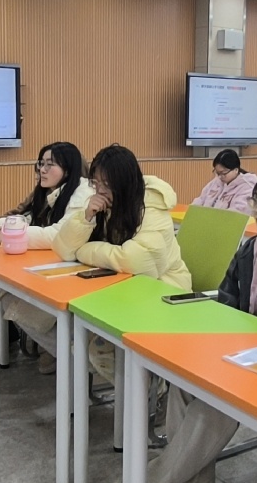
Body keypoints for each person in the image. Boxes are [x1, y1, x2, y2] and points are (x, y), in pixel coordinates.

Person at [109, 167, 257, 483]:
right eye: (256, 200)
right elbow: (227, 300)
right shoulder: (251, 249)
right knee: (183, 382)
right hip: (243, 349)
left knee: (217, 399)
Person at [54, 144, 191, 380]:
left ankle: (149, 389)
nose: (100, 190)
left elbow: (138, 262)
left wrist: (86, 250)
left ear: (124, 183)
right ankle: (136, 389)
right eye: (96, 183)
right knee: (76, 337)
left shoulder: (152, 207)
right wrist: (86, 217)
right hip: (124, 292)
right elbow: (64, 249)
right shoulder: (102, 205)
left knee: (96, 348)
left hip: (165, 292)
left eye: (107, 184)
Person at [0, 142, 93, 374]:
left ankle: (75, 360)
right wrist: (2, 226)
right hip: (54, 261)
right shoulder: (47, 191)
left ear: (68, 169)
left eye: (49, 165)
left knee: (11, 299)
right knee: (5, 291)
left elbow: (57, 234)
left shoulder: (82, 193)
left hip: (76, 269)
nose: (42, 170)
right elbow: (25, 217)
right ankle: (59, 352)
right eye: (40, 164)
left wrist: (9, 235)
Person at [191, 148, 257, 213]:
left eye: (223, 173)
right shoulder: (216, 181)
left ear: (236, 170)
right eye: (218, 173)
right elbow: (201, 200)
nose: (220, 177)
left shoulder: (247, 187)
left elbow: (237, 213)